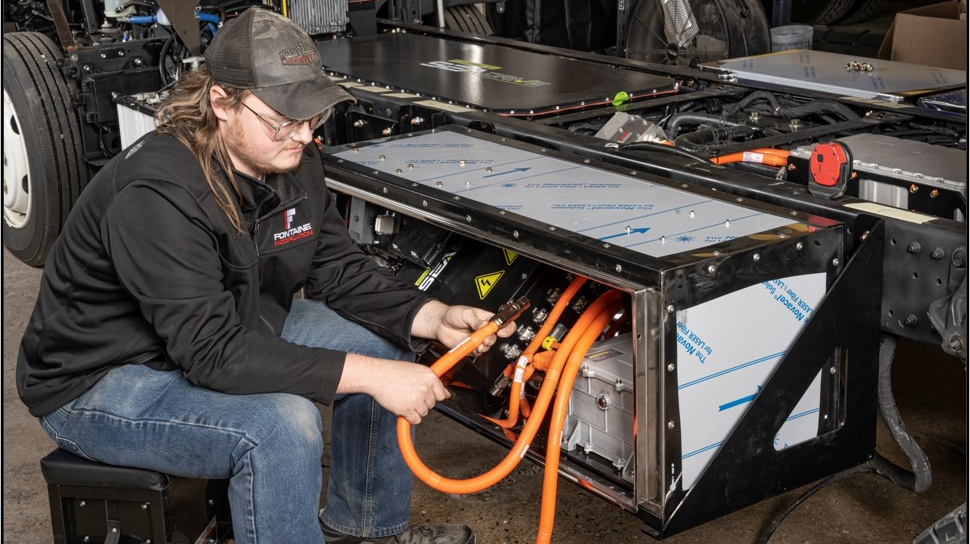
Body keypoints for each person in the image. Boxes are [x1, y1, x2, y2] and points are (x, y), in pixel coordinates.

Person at [16, 7, 513, 544]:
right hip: (99, 378)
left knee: (384, 346)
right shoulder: (157, 194)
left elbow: (338, 270)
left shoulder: (290, 156)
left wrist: (431, 315)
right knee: (281, 427)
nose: (303, 134)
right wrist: (369, 377)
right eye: (283, 119)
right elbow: (214, 354)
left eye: (312, 117)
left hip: (228, 315)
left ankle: (366, 531)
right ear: (222, 103)